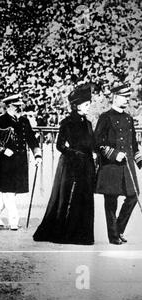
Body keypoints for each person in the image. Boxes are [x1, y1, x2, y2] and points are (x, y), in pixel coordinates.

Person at [33, 83, 95, 245]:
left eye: (89, 104)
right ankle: (65, 232)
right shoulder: (67, 122)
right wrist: (75, 154)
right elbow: (60, 145)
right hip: (70, 165)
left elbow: (91, 144)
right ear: (77, 105)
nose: (88, 107)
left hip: (86, 165)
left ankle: (81, 234)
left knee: (84, 198)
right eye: (86, 104)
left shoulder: (88, 124)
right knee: (67, 197)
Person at [94, 82, 142, 245]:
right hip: (111, 167)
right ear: (115, 97)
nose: (127, 100)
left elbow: (133, 144)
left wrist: (140, 161)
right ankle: (113, 236)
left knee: (133, 196)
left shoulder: (128, 118)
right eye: (124, 97)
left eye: (128, 97)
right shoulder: (105, 117)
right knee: (111, 201)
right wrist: (114, 154)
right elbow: (97, 143)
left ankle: (119, 229)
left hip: (127, 167)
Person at [0, 94, 42, 230]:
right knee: (8, 190)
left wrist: (37, 155)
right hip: (4, 161)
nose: (19, 108)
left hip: (20, 160)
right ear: (8, 106)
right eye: (16, 106)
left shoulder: (24, 121)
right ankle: (14, 219)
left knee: (12, 190)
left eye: (20, 105)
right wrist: (2, 150)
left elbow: (31, 139)